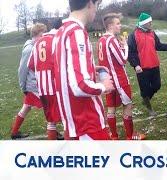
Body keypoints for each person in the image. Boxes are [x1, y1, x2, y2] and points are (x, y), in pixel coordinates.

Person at [53, 0, 115, 140]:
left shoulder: (61, 30)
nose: (96, 10)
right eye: (97, 5)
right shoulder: (77, 32)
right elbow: (79, 86)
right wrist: (103, 87)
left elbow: (65, 72)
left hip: (74, 123)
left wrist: (91, 69)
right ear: (89, 4)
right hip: (87, 123)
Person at [97, 13, 146, 140]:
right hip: (119, 80)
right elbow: (122, 60)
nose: (120, 26)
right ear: (110, 25)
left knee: (111, 109)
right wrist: (125, 46)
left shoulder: (101, 40)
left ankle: (114, 136)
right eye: (118, 23)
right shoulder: (111, 40)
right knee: (128, 106)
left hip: (107, 80)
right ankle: (130, 137)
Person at [128, 12, 167, 116]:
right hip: (142, 68)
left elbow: (158, 45)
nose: (151, 24)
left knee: (157, 85)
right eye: (149, 22)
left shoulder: (152, 33)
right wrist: (136, 65)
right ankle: (149, 107)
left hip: (154, 65)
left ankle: (145, 99)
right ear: (143, 23)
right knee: (145, 89)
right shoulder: (133, 35)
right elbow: (131, 52)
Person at [28, 19, 63, 140]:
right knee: (66, 116)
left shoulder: (37, 43)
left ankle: (53, 148)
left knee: (51, 120)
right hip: (56, 87)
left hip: (42, 88)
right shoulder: (57, 40)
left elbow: (31, 65)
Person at [11, 23, 47, 139]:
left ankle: (14, 133)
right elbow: (22, 70)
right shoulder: (29, 49)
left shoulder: (37, 47)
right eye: (42, 35)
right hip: (33, 86)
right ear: (35, 35)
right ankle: (53, 130)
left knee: (26, 107)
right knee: (49, 106)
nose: (44, 37)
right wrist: (23, 87)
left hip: (35, 85)